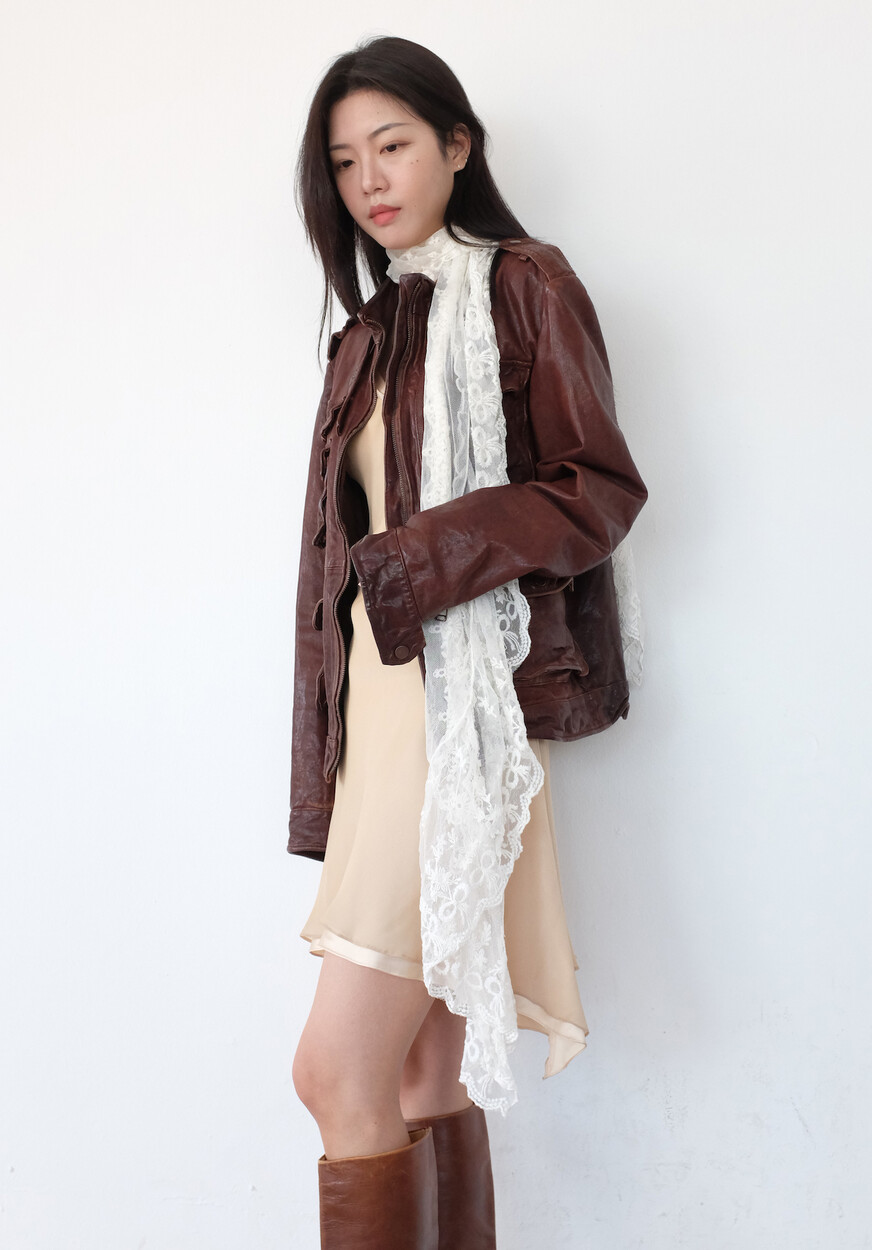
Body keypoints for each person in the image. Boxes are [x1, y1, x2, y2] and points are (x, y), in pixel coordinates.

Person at [287, 35, 647, 1249]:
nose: (369, 180)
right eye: (345, 162)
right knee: (415, 1071)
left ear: (457, 144)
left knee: (332, 1072)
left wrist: (424, 556)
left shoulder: (524, 285)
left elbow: (596, 487)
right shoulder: (367, 335)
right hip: (380, 715)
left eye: (392, 145)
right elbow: (332, 581)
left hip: (457, 712)